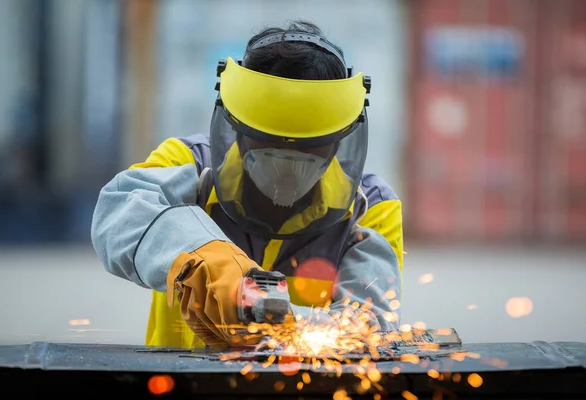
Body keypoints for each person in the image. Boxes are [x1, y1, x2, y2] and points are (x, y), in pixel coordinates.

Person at [91, 20, 404, 350]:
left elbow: (372, 327)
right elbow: (119, 210)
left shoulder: (371, 207)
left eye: (307, 147)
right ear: (238, 131)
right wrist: (205, 257)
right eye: (270, 145)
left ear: (339, 141)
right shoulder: (188, 163)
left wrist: (282, 322)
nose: (288, 164)